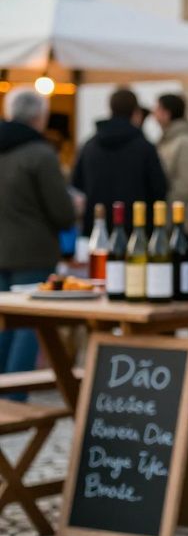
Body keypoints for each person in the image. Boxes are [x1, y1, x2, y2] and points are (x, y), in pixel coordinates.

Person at [0, 89, 76, 394]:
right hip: (32, 251)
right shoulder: (39, 153)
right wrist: (75, 208)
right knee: (29, 325)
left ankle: (3, 395)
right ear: (38, 117)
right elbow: (62, 212)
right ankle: (15, 395)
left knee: (4, 324)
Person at [71, 88, 168, 236]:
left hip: (97, 228)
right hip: (135, 230)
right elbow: (159, 189)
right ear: (135, 112)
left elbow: (77, 184)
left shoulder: (90, 146)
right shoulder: (145, 148)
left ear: (110, 109)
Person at [154, 93, 188, 221]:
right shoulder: (169, 141)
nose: (154, 115)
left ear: (166, 113)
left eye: (157, 110)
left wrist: (164, 204)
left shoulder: (186, 142)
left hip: (184, 221)